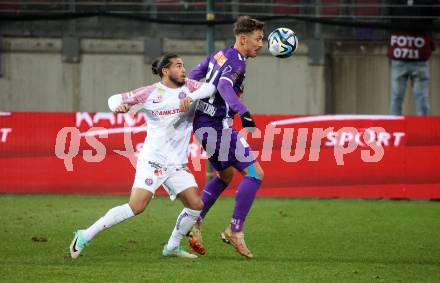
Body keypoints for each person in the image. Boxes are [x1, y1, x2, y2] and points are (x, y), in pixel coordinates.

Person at [69, 53, 216, 259]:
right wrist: (119, 107)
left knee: (195, 205)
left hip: (177, 164)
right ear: (166, 71)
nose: (183, 70)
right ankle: (85, 234)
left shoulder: (190, 87)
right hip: (153, 161)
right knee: (136, 207)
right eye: (178, 66)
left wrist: (191, 97)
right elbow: (114, 100)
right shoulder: (150, 93)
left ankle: (172, 247)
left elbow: (211, 87)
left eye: (183, 66)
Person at [185, 16, 265, 259]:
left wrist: (190, 99)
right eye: (258, 38)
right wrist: (244, 113)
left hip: (203, 123)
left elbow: (192, 75)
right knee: (255, 173)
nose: (261, 44)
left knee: (226, 175)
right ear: (243, 39)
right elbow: (224, 87)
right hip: (218, 127)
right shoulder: (237, 60)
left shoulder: (219, 54)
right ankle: (235, 230)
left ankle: (195, 221)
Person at [388, 0, 436, 115]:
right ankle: (425, 130)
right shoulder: (426, 5)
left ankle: (395, 128)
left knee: (396, 98)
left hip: (402, 55)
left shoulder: (395, 5)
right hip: (416, 56)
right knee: (421, 99)